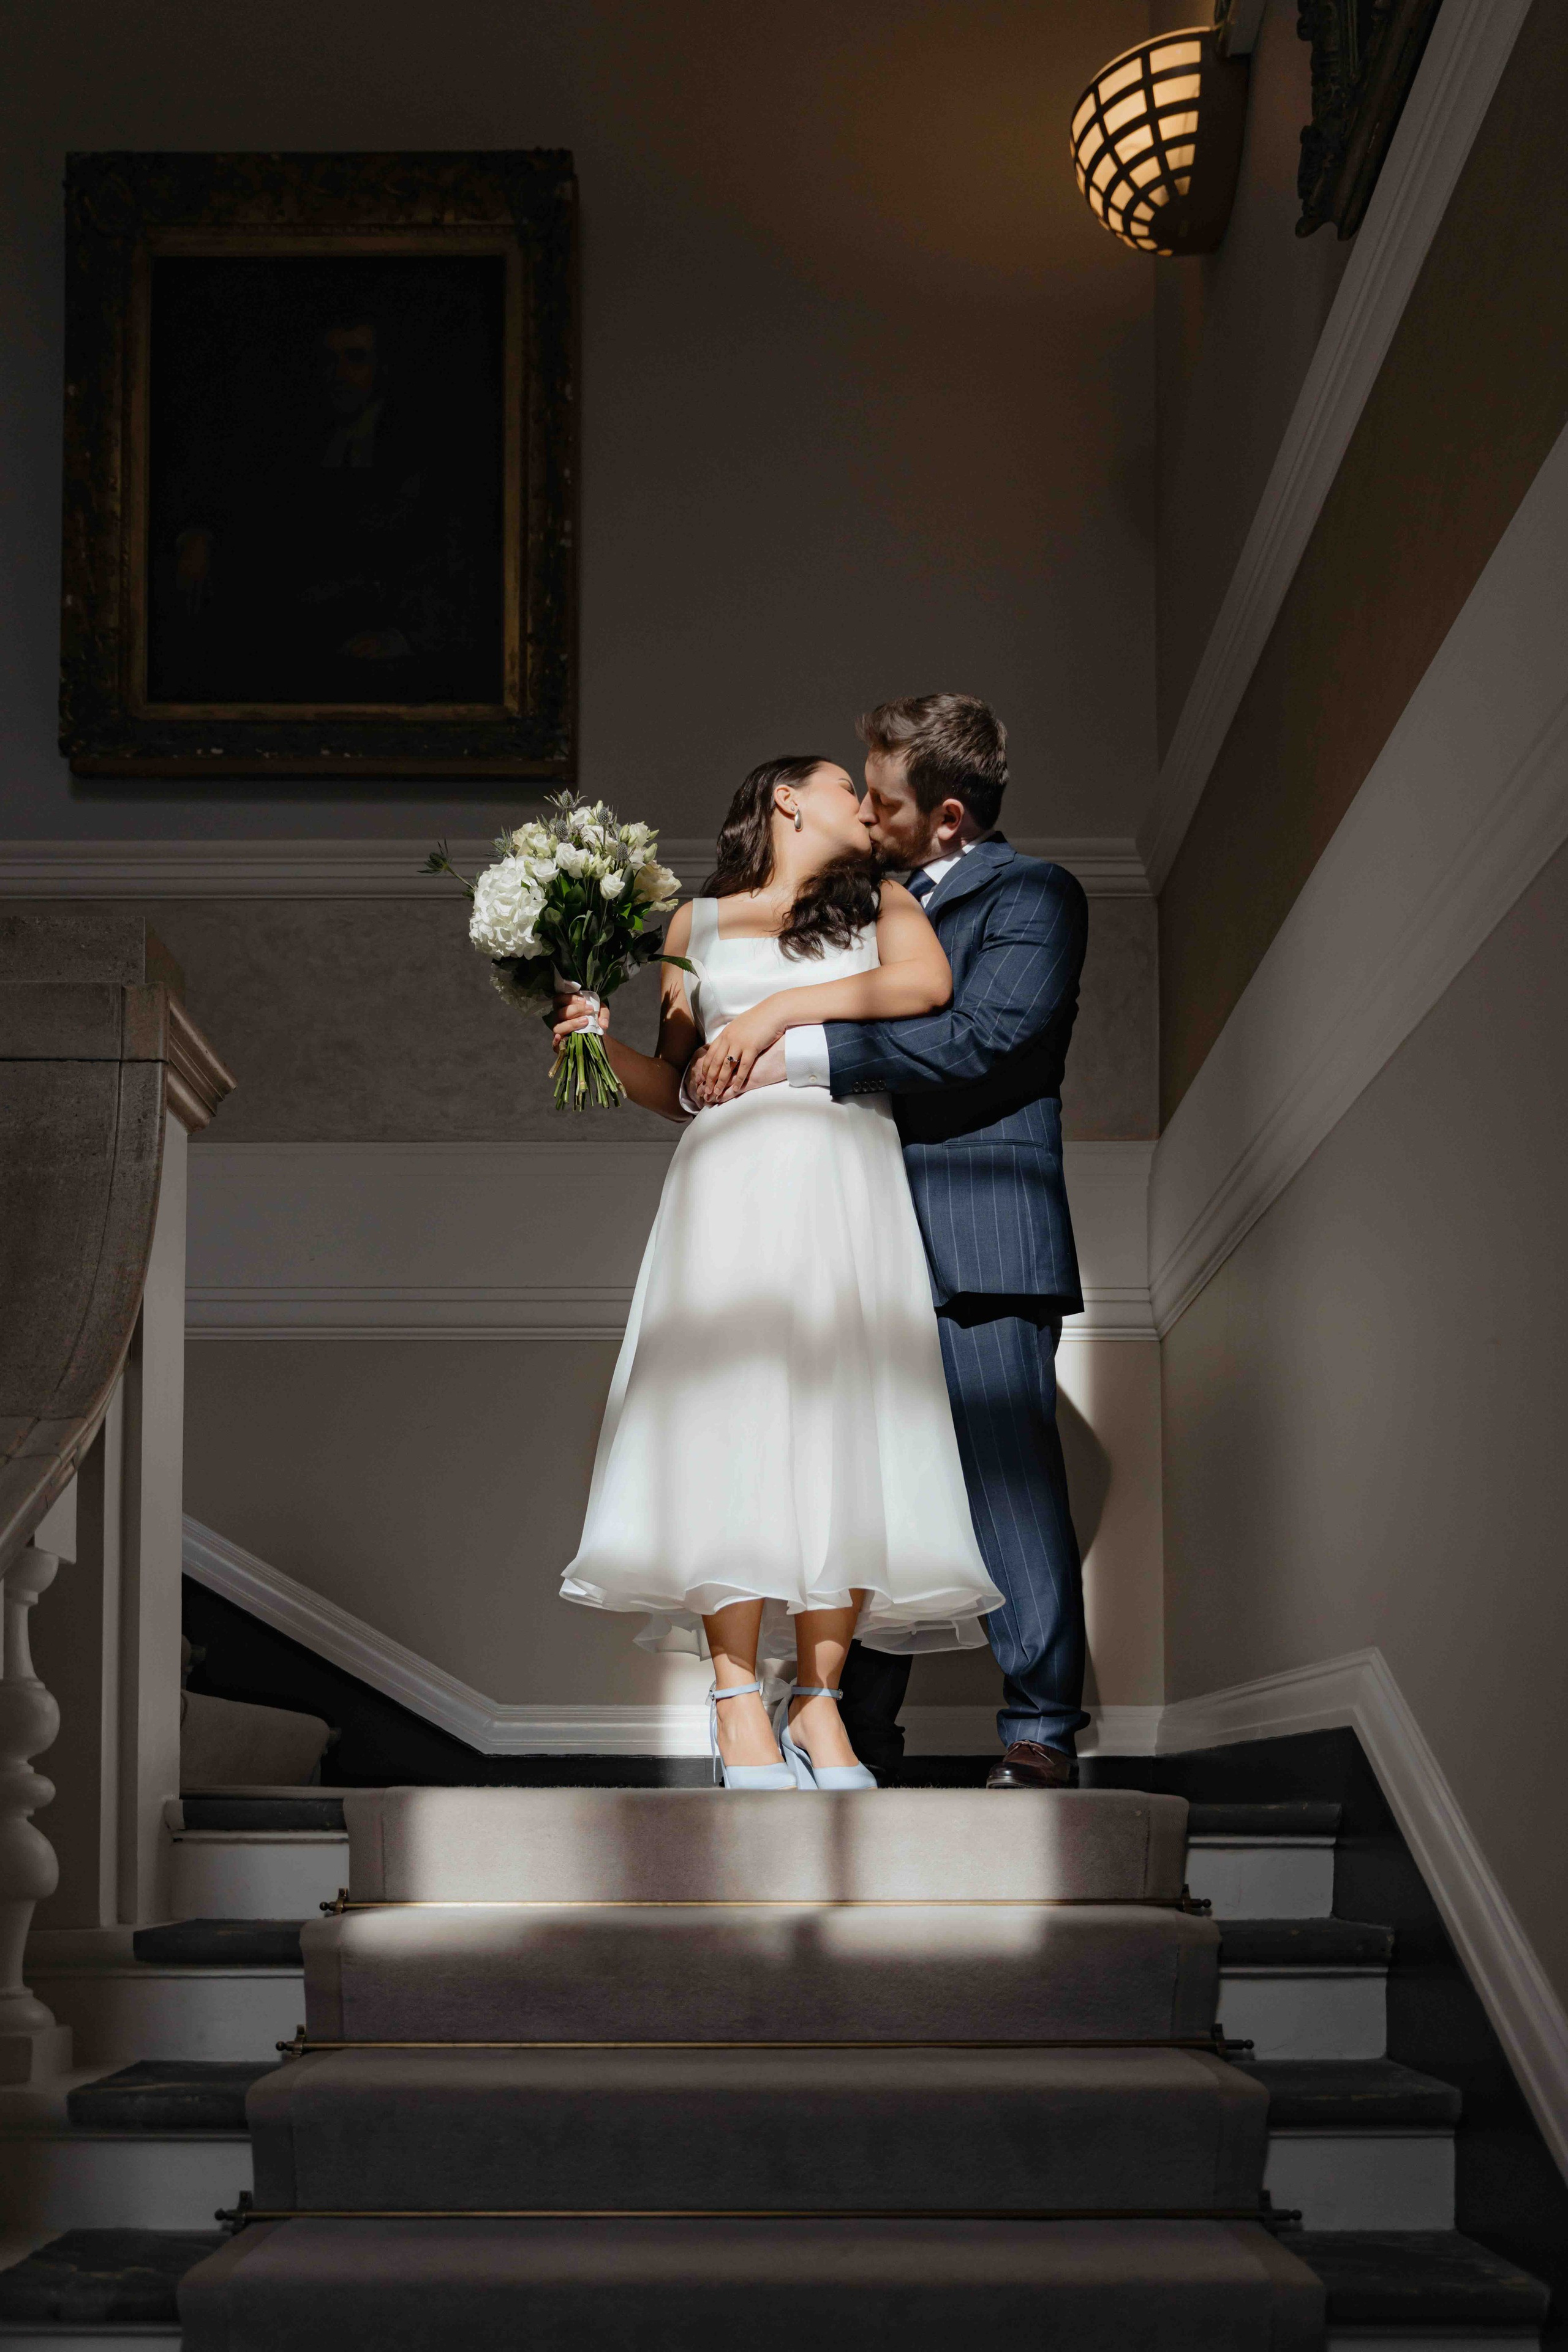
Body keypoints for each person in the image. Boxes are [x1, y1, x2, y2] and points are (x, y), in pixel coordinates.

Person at [552, 755, 1004, 1790]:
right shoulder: (692, 928)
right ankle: (733, 1703)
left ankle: (820, 1707)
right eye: (848, 787)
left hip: (847, 1173)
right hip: (730, 1182)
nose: (867, 805)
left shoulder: (884, 901)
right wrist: (593, 1042)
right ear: (789, 799)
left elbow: (927, 987)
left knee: (848, 1420)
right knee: (730, 1420)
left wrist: (774, 1015)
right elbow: (677, 1090)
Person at [690, 696, 1090, 1792]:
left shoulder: (1034, 896)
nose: (865, 811)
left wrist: (793, 1044)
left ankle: (1041, 1732)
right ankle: (845, 1727)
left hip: (977, 1239)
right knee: (860, 1479)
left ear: (949, 818)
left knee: (1006, 1484)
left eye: (886, 798)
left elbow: (984, 1038)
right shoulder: (858, 904)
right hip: (850, 1235)